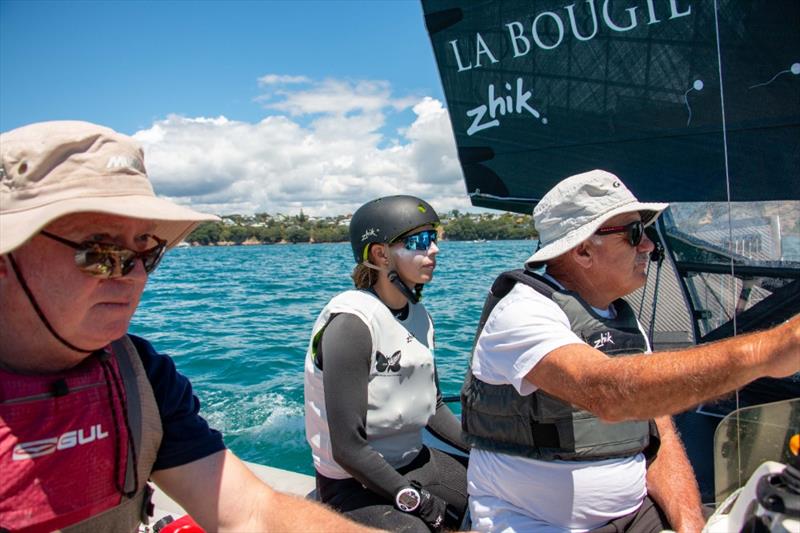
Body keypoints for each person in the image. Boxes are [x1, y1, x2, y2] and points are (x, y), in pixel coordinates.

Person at [0, 120, 379, 533]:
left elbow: (250, 513)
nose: (134, 277)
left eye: (148, 253)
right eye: (102, 253)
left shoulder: (139, 374)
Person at [461, 169, 800, 533]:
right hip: (538, 524)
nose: (649, 246)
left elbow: (659, 434)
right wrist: (769, 350)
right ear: (583, 249)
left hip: (635, 517)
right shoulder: (521, 312)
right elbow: (606, 392)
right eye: (634, 233)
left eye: (648, 232)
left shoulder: (621, 317)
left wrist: (689, 525)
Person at [304, 195, 470, 532]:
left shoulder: (421, 317)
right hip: (352, 483)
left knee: (496, 492)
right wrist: (415, 501)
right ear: (380, 254)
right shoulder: (352, 325)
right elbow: (348, 449)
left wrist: (486, 447)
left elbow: (433, 405)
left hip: (413, 459)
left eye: (434, 238)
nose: (435, 249)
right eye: (421, 241)